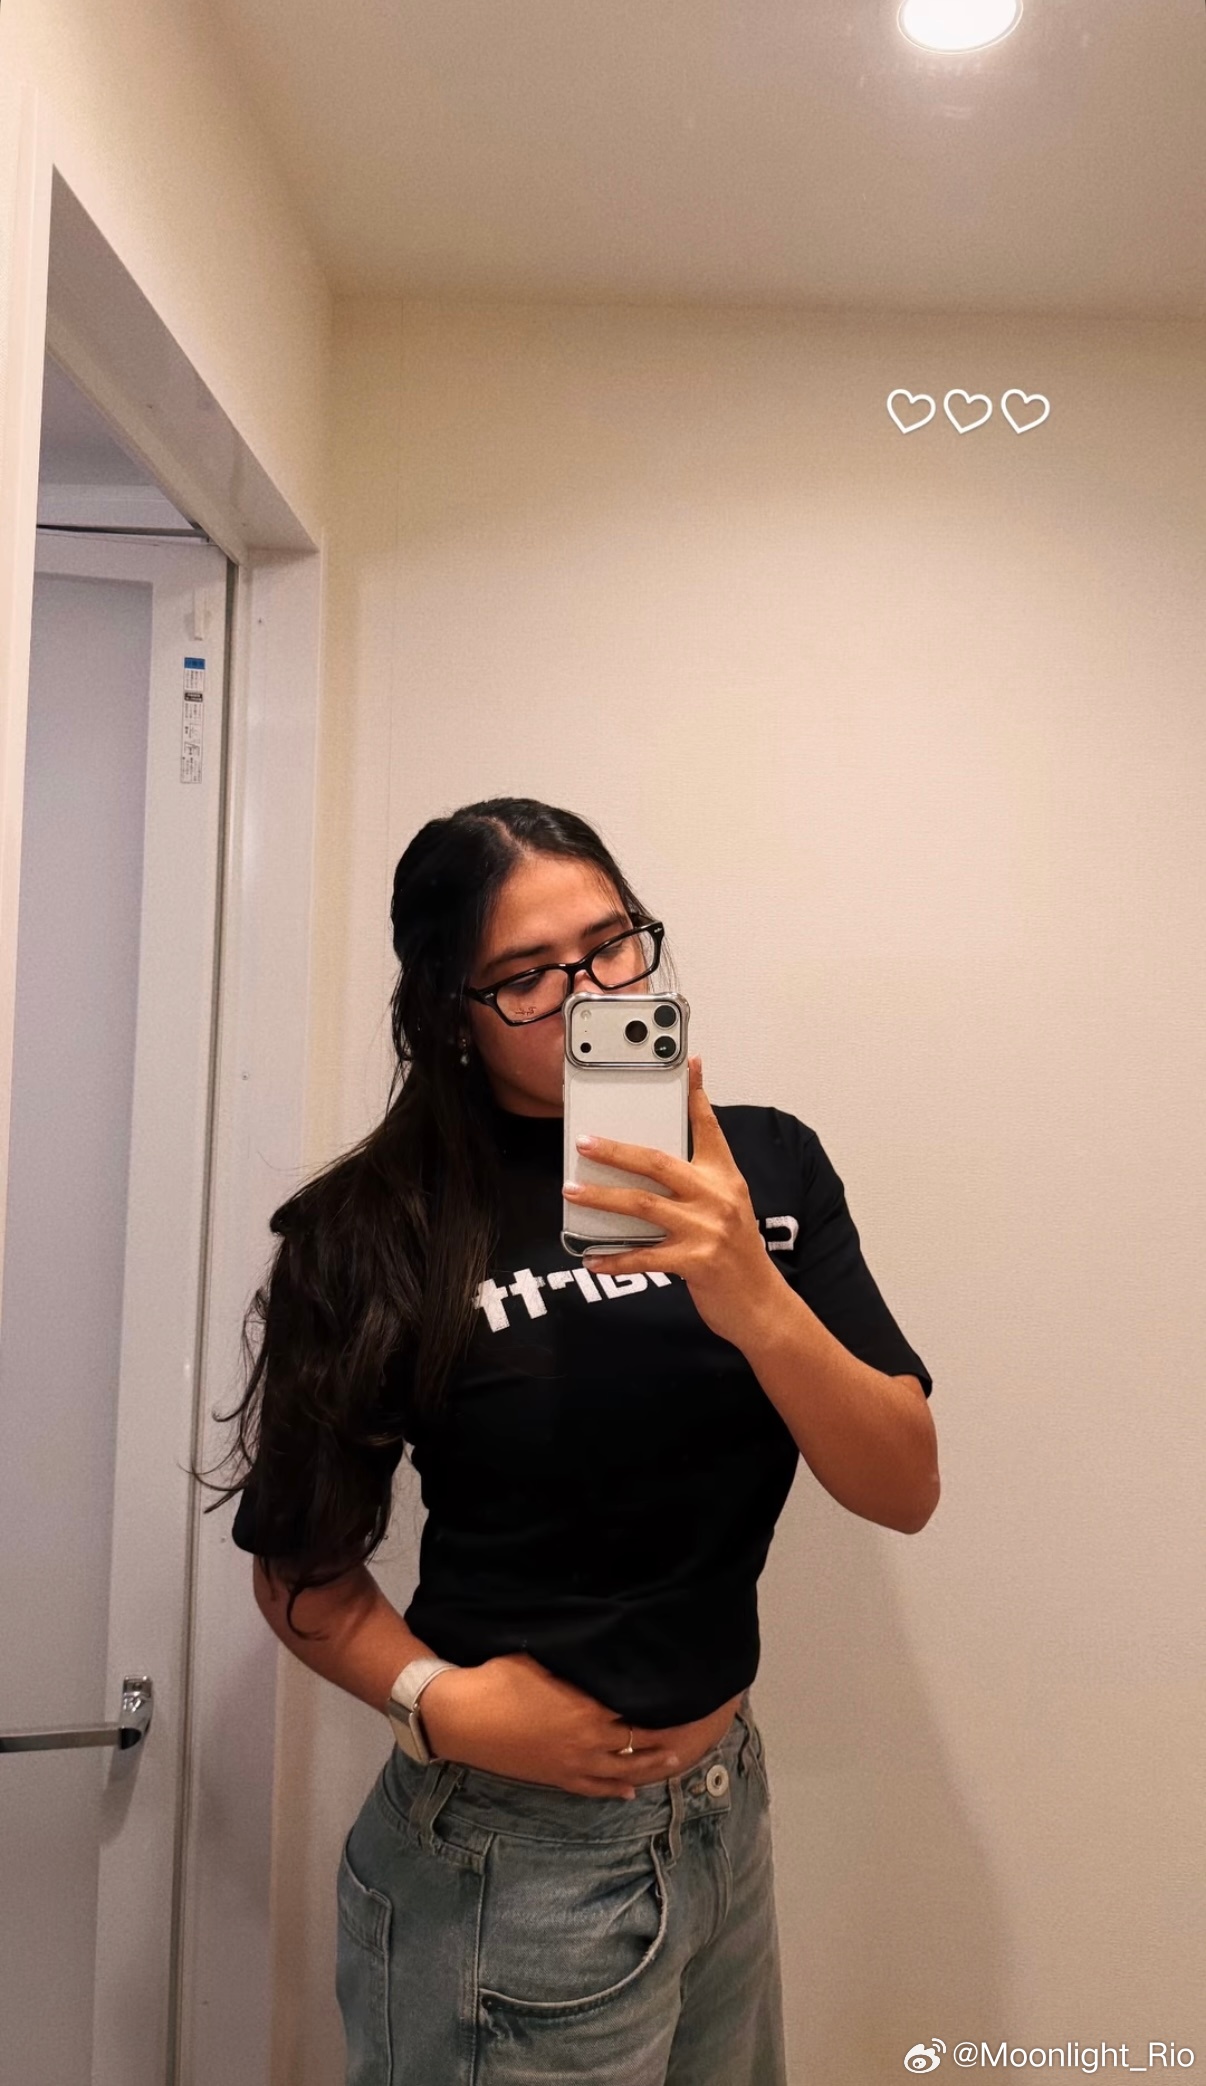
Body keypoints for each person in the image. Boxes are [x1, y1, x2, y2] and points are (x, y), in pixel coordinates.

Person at [206, 795, 939, 2086]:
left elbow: (902, 1483)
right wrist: (445, 1707)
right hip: (510, 1856)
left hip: (722, 1813)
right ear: (450, 1013)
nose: (592, 992)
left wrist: (752, 1296)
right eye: (527, 976)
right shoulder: (375, 1229)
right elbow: (297, 1569)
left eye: (611, 944)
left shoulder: (765, 1171)